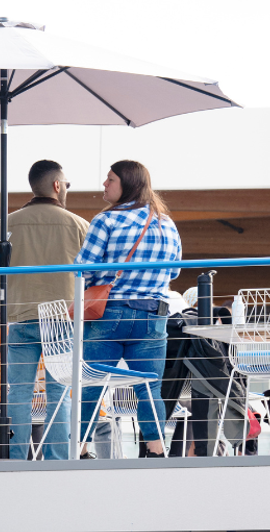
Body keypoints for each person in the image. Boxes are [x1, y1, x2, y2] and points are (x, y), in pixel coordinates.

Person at [75, 160, 181, 459]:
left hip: (110, 313)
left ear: (127, 184)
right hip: (152, 316)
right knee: (149, 388)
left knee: (93, 385)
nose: (104, 184)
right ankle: (156, 451)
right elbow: (172, 273)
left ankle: (81, 448)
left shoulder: (106, 220)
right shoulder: (166, 223)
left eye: (110, 179)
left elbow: (83, 269)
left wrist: (103, 278)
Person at [0, 160, 87, 461]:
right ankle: (57, 459)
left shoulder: (6, 224)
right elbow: (93, 277)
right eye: (66, 183)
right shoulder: (79, 225)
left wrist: (3, 312)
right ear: (57, 185)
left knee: (18, 392)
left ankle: (16, 458)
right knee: (60, 391)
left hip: (19, 317)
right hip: (63, 321)